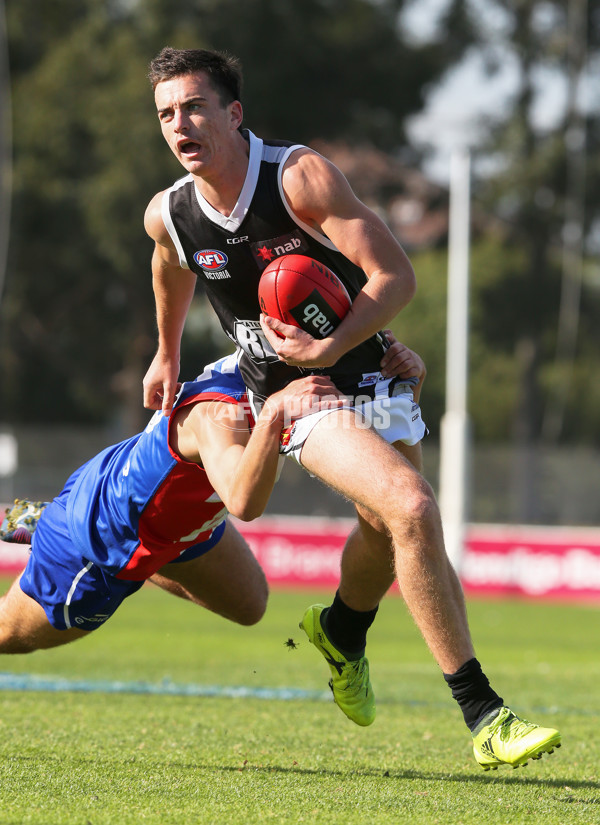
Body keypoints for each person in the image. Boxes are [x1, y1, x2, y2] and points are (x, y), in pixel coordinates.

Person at [141, 47, 561, 770]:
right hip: (296, 394)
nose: (181, 124)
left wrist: (333, 338)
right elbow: (168, 260)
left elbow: (395, 275)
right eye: (167, 113)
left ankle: (341, 628)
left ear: (234, 114)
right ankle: (484, 713)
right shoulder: (171, 212)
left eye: (196, 107)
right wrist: (166, 353)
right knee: (412, 505)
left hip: (374, 372)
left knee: (384, 530)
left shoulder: (297, 178)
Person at [0, 354, 347, 651]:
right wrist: (274, 414)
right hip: (104, 535)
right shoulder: (218, 414)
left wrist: (398, 365)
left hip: (169, 521)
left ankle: (55, 519)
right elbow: (244, 503)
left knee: (249, 604)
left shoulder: (275, 367)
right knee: (8, 635)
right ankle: (59, 523)